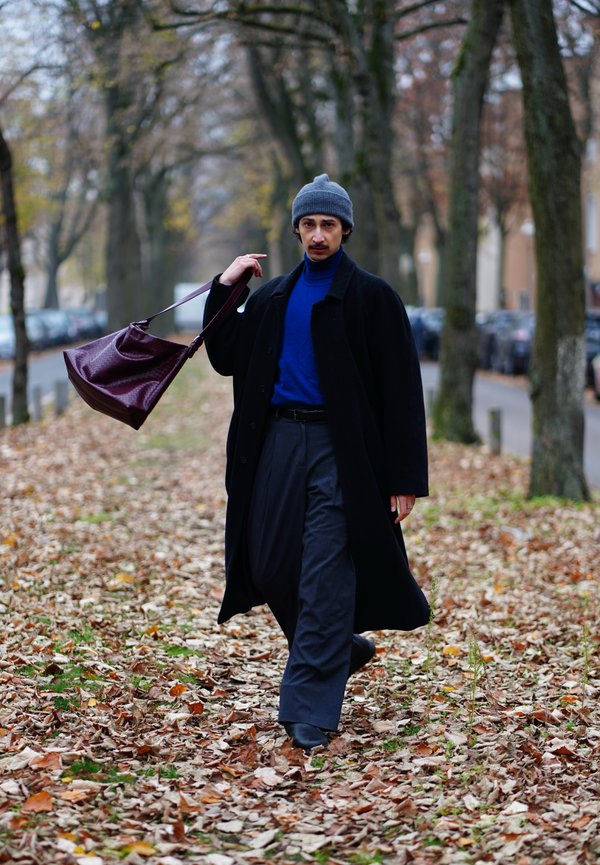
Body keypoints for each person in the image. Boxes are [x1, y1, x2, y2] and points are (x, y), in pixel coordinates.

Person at [203, 174, 429, 752]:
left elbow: (402, 388)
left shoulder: (373, 298)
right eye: (309, 224)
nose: (318, 234)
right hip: (277, 443)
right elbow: (226, 356)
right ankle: (340, 648)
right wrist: (224, 287)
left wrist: (405, 478)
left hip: (343, 452)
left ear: (344, 230)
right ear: (298, 230)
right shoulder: (274, 296)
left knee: (326, 571)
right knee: (269, 562)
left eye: (329, 224)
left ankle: (308, 712)